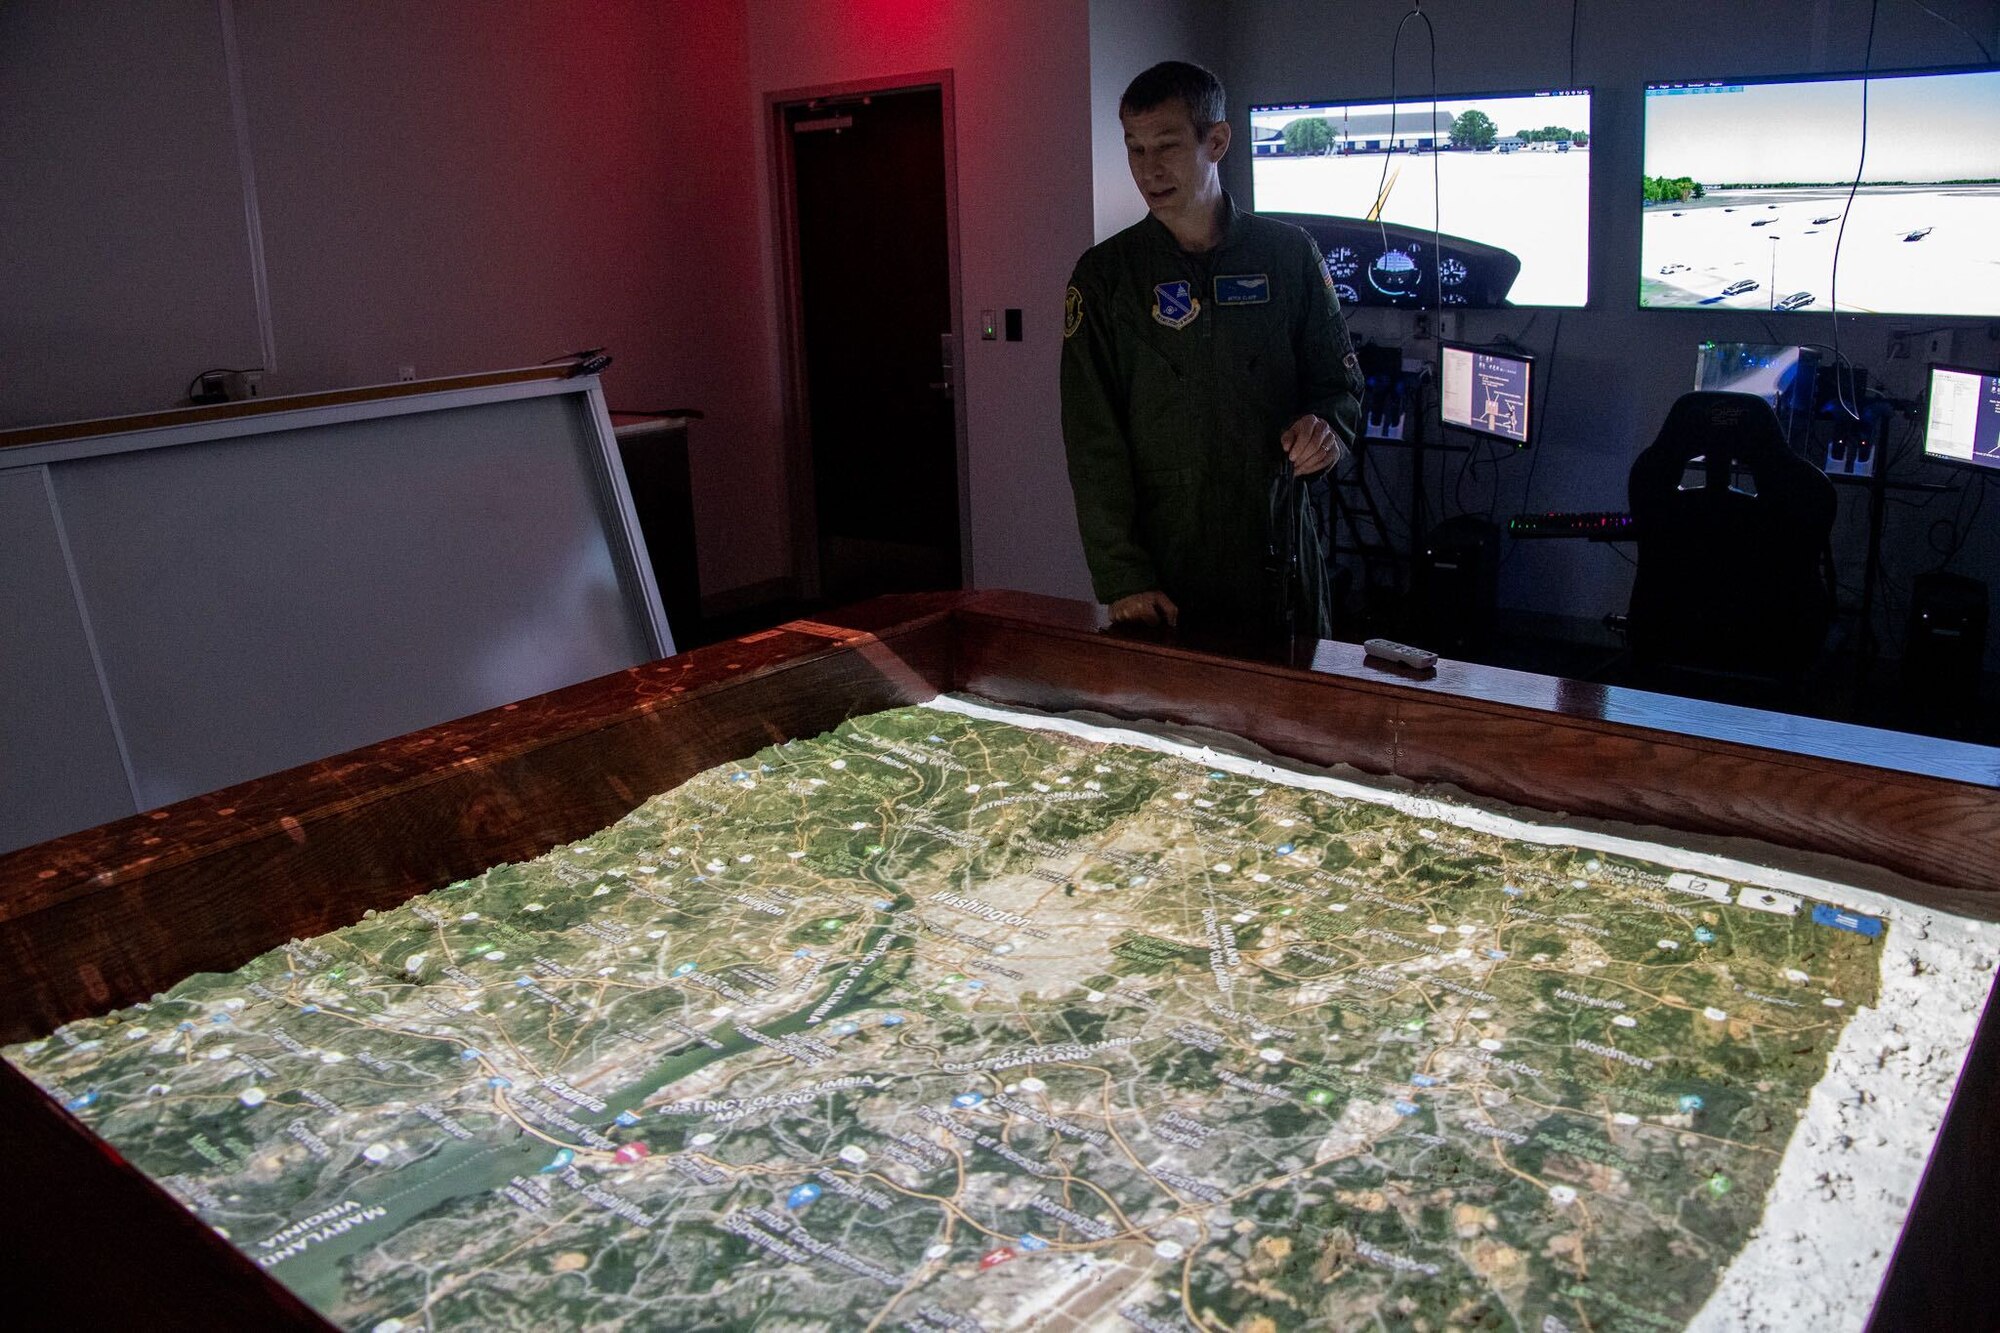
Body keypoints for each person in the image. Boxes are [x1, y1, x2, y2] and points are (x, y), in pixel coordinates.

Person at [1061, 60, 1364, 637]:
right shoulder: (1106, 278)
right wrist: (1122, 576)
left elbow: (1340, 385)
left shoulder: (1288, 257)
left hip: (1279, 560)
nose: (1149, 169)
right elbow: (1091, 438)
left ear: (1216, 141)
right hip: (1165, 577)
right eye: (1135, 149)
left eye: (1167, 146)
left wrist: (1326, 430)